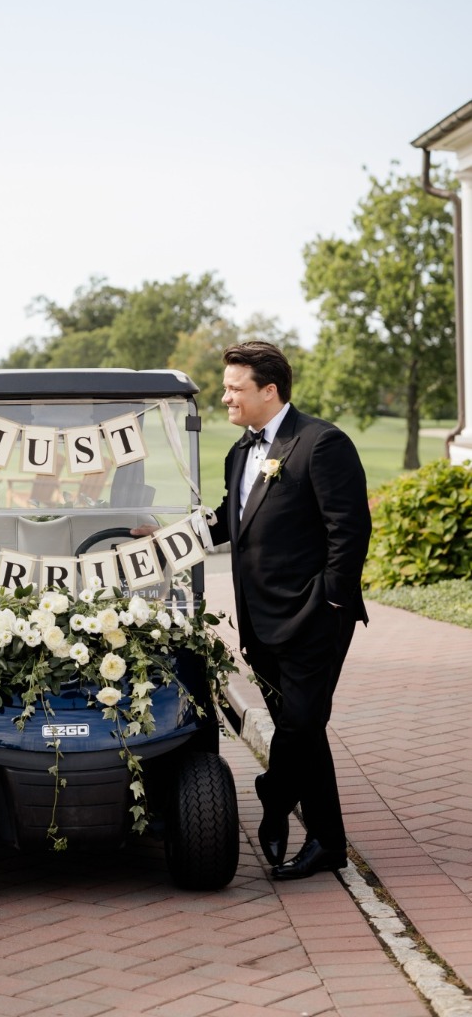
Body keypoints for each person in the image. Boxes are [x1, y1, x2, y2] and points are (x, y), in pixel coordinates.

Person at [210, 342, 371, 880]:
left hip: (315, 616)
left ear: (269, 390)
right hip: (261, 622)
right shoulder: (239, 453)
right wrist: (165, 534)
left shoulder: (321, 443)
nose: (225, 395)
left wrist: (330, 602)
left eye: (235, 387)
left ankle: (273, 798)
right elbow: (228, 521)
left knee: (300, 722)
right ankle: (327, 841)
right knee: (301, 733)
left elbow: (349, 532)